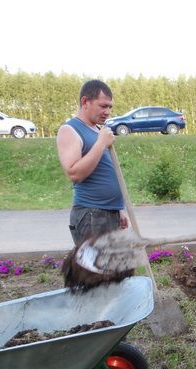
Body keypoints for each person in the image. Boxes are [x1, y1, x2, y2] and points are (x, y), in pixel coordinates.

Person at [56, 79, 127, 245]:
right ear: (85, 102)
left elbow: (102, 171)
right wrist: (101, 143)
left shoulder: (97, 131)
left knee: (114, 270)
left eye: (110, 107)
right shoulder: (70, 130)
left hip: (108, 213)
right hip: (91, 216)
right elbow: (74, 173)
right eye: (103, 106)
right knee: (96, 271)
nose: (108, 111)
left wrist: (117, 209)